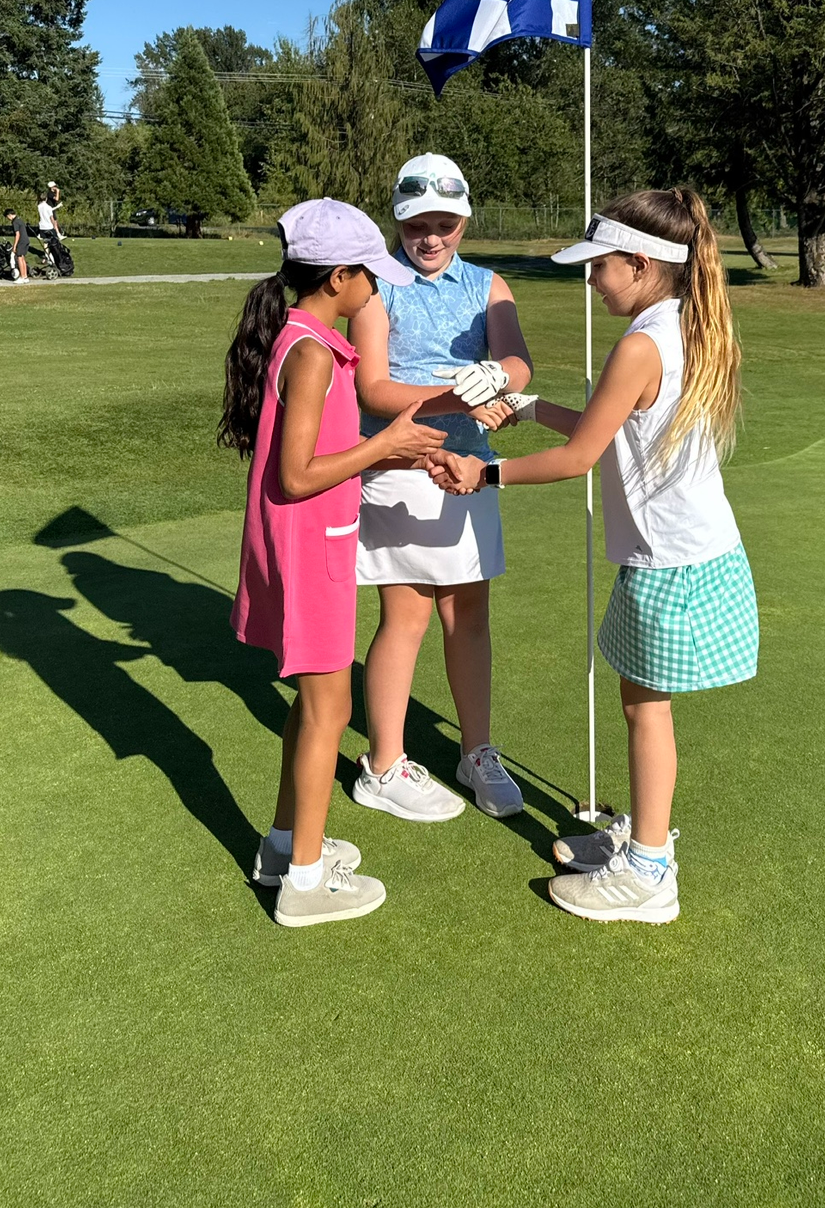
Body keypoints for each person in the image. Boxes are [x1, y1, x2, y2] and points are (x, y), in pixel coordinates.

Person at [428, 188, 757, 925]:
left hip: (669, 559)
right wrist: (528, 405)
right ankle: (645, 842)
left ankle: (647, 871)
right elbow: (612, 428)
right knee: (644, 704)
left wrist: (486, 473)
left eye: (598, 266)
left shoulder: (640, 343)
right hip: (693, 550)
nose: (589, 279)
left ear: (639, 264)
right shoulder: (681, 324)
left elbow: (582, 457)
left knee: (645, 708)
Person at [220, 197, 448, 928]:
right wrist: (388, 446)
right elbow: (296, 473)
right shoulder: (314, 350)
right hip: (309, 549)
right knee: (330, 707)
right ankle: (306, 882)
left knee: (311, 705)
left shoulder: (303, 336)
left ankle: (287, 846)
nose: (376, 291)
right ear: (339, 276)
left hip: (309, 544)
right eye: (370, 278)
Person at [348, 153, 534, 823]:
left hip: (471, 470)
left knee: (469, 615)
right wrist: (459, 396)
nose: (430, 237)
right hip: (399, 467)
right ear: (398, 221)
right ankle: (384, 763)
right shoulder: (375, 285)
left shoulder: (487, 283)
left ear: (463, 220)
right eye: (417, 224)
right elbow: (373, 386)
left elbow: (516, 358)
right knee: (407, 617)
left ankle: (477, 750)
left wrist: (498, 380)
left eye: (444, 223)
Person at [4, 209, 29, 282]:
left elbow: (17, 234)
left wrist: (14, 246)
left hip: (21, 241)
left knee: (19, 259)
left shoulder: (15, 222)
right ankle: (25, 276)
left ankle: (22, 277)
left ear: (9, 215)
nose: (8, 219)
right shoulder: (19, 219)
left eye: (7, 217)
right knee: (22, 258)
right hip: (26, 240)